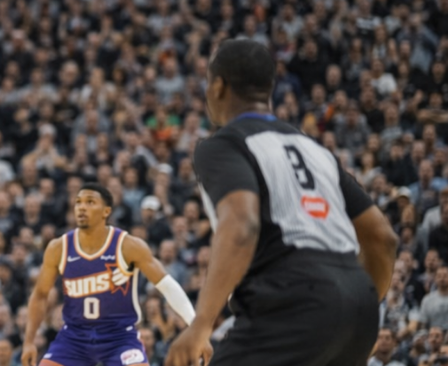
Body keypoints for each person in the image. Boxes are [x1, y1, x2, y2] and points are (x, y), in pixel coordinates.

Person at [165, 39, 399, 366]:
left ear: (218, 87)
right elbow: (383, 238)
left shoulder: (223, 144)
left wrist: (202, 324)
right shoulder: (316, 151)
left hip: (292, 302)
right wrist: (355, 313)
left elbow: (241, 224)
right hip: (359, 306)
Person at [22, 183, 195, 366]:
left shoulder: (127, 245)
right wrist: (29, 341)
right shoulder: (59, 248)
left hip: (119, 337)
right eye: (78, 202)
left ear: (106, 211)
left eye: (90, 202)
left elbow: (167, 286)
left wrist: (196, 326)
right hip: (74, 338)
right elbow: (40, 294)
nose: (82, 207)